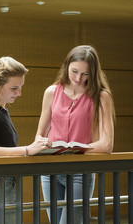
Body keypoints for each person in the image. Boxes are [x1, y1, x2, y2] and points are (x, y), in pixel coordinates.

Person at [35, 45, 115, 224]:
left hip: (81, 171)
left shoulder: (101, 97)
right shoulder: (51, 92)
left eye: (85, 74)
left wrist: (74, 150)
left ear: (93, 73)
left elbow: (107, 144)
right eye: (74, 71)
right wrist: (43, 145)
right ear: (66, 67)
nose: (79, 78)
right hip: (50, 170)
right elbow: (39, 135)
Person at [0, 56, 51, 223]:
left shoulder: (2, 110)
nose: (19, 93)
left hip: (6, 183)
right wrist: (28, 150)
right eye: (14, 88)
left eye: (21, 87)